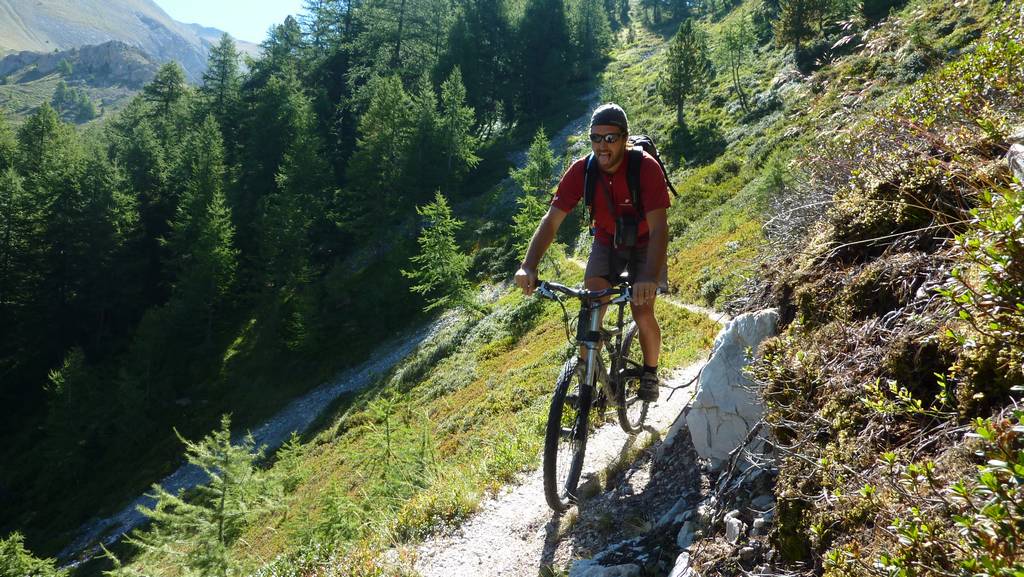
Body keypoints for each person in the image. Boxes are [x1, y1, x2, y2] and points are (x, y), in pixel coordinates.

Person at [515, 103, 671, 402]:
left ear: (625, 138)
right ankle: (588, 378)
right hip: (607, 239)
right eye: (595, 138)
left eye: (610, 138)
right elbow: (551, 221)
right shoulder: (581, 170)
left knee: (642, 309)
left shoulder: (645, 168)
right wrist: (529, 266)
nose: (602, 146)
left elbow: (659, 229)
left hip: (644, 242)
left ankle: (650, 373)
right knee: (592, 303)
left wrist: (648, 277)